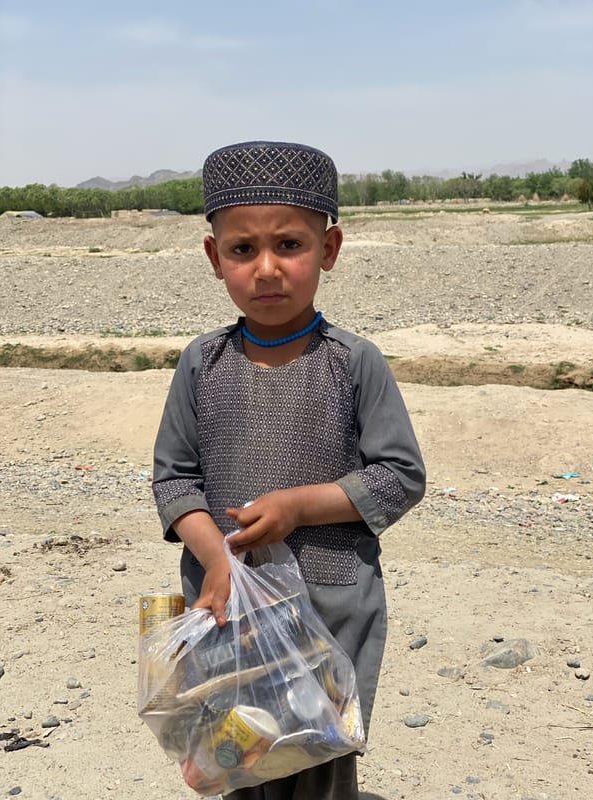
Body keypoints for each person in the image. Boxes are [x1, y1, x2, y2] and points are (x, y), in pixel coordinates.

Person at [152, 140, 426, 800]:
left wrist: (300, 506)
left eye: (290, 245)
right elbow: (175, 480)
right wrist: (216, 558)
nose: (267, 268)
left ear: (328, 249)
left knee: (318, 761)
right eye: (244, 250)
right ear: (216, 258)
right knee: (237, 757)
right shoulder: (202, 364)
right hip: (229, 609)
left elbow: (399, 475)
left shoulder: (354, 363)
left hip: (328, 611)